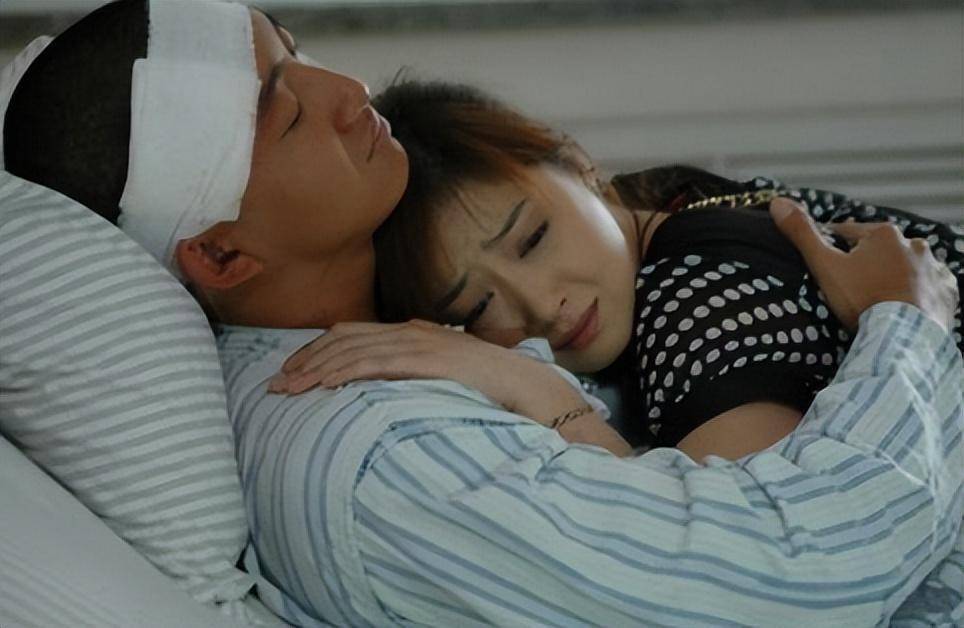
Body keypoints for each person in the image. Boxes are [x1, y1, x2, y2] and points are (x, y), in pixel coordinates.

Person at [2, 0, 961, 625]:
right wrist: (909, 325)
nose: (349, 92)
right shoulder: (381, 451)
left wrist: (532, 384)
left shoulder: (410, 348)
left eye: (299, 55)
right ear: (220, 255)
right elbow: (796, 575)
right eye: (286, 113)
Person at [278, 80, 964, 460]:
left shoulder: (685, 306)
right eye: (478, 309)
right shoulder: (682, 197)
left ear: (579, 163)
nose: (540, 306)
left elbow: (762, 548)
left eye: (533, 239)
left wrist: (529, 386)